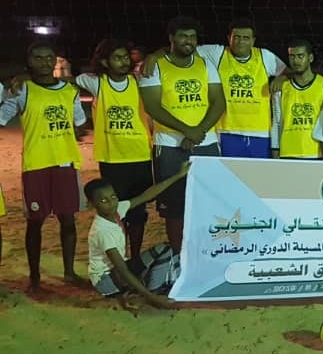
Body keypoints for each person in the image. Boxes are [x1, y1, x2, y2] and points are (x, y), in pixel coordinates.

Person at [0, 41, 88, 290]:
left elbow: (79, 121)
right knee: (35, 222)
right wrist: (13, 82)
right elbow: (3, 117)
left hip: (65, 162)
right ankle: (35, 277)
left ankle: (69, 272)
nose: (44, 62)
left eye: (49, 57)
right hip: (36, 164)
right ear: (29, 62)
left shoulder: (69, 91)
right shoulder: (22, 90)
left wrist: (73, 131)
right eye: (37, 58)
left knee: (67, 220)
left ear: (55, 60)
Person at [138, 16, 226, 265]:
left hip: (206, 143)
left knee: (208, 202)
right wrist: (187, 131)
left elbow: (219, 101)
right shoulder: (154, 66)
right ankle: (179, 259)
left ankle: (205, 255)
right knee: (174, 206)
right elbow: (152, 107)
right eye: (183, 36)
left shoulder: (205, 64)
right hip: (169, 145)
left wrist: (199, 132)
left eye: (193, 36)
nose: (189, 41)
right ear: (171, 39)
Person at [142, 19, 286, 158]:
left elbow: (290, 72)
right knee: (225, 174)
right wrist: (154, 55)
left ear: (253, 40)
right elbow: (183, 48)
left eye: (246, 38)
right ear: (229, 38)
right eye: (236, 37)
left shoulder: (264, 56)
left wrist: (282, 77)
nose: (241, 42)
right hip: (226, 133)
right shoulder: (217, 53)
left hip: (260, 133)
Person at [75, 39, 155, 258]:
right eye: (117, 58)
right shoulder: (96, 83)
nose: (124, 61)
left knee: (137, 211)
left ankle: (135, 257)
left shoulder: (139, 80)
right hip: (112, 159)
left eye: (126, 57)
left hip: (140, 155)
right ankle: (119, 255)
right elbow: (67, 81)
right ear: (104, 62)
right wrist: (22, 76)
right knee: (114, 211)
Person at [84, 164, 193, 308]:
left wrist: (178, 175)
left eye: (113, 197)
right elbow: (122, 270)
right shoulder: (102, 231)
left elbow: (146, 196)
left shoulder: (117, 210)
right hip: (107, 279)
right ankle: (149, 293)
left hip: (120, 269)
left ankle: (148, 290)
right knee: (167, 264)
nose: (111, 203)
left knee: (167, 249)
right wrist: (153, 299)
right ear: (91, 204)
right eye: (104, 201)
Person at [271, 39, 323, 159]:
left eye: (300, 56)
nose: (296, 61)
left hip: (317, 153)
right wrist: (275, 152)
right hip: (288, 153)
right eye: (292, 57)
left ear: (310, 58)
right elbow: (276, 123)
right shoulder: (281, 88)